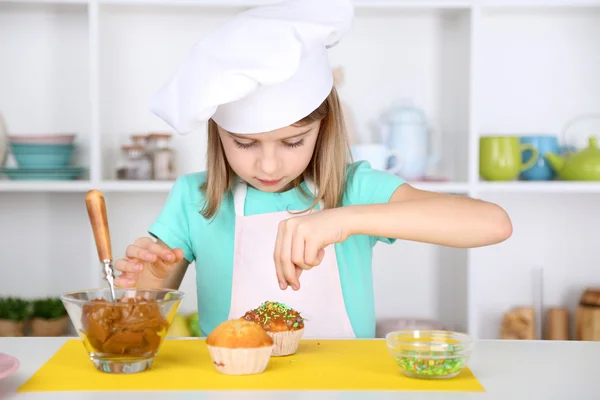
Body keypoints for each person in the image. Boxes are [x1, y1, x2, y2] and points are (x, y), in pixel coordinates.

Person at [114, 0, 512, 339]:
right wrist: (149, 279)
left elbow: (493, 224)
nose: (268, 164)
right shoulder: (194, 199)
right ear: (218, 134)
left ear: (324, 128)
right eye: (244, 143)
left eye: (292, 142)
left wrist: (344, 221)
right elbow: (136, 328)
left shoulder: (354, 189)